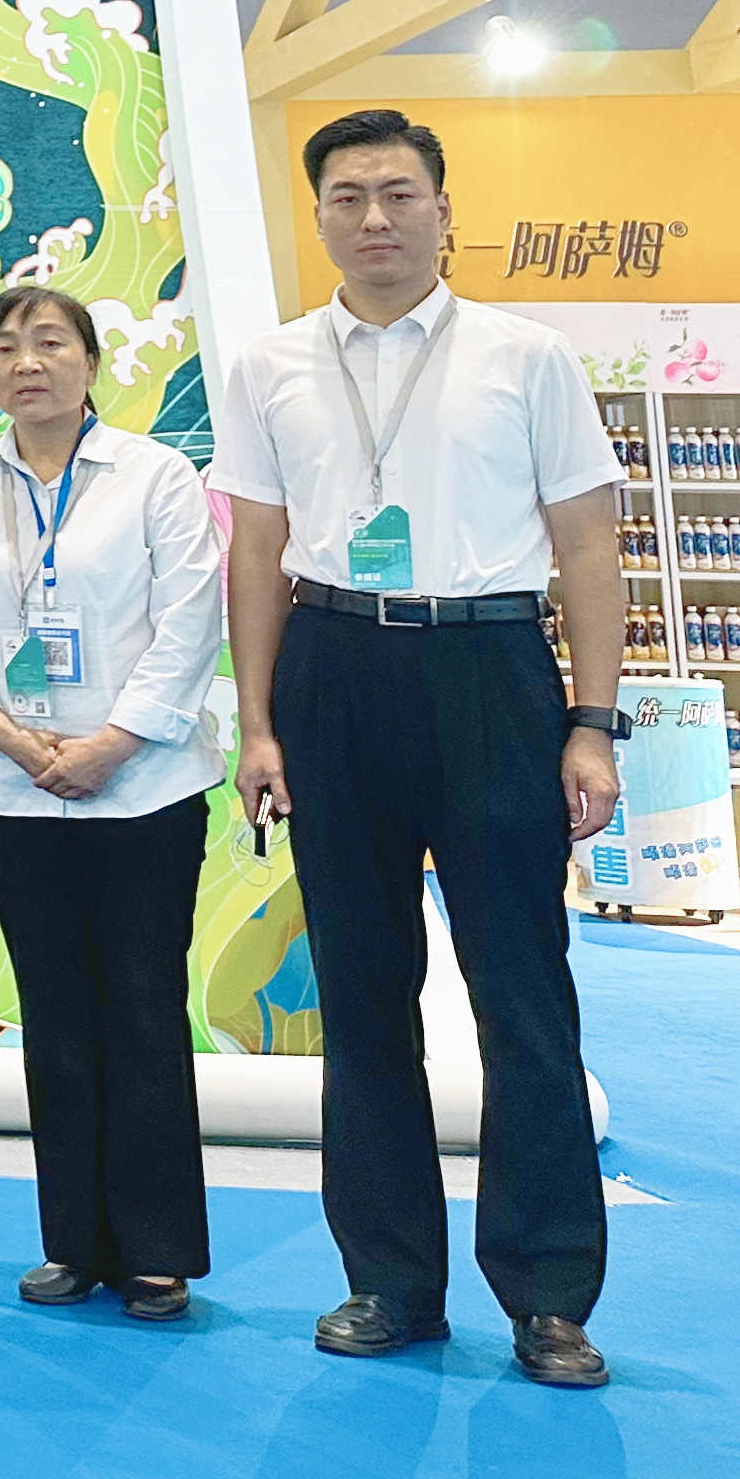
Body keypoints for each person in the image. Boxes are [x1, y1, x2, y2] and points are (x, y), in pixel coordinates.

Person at [216, 109, 625, 1388]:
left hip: (488, 668)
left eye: (399, 193)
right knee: (359, 991)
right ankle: (389, 1280)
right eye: (348, 197)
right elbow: (256, 552)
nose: (375, 217)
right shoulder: (272, 365)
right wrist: (260, 723)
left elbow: (588, 545)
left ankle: (549, 1296)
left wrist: (593, 723)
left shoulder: (526, 355)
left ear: (446, 210)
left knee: (522, 991)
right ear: (319, 217)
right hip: (333, 668)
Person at [0, 285, 223, 1320]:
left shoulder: (156, 476)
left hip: (147, 783)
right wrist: (1, 731)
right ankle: (73, 1242)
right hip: (16, 786)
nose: (27, 363)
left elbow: (191, 616)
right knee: (56, 1013)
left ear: (90, 361)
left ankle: (157, 1249)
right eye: (5, 347)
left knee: (141, 1005)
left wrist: (116, 741)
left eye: (49, 343)